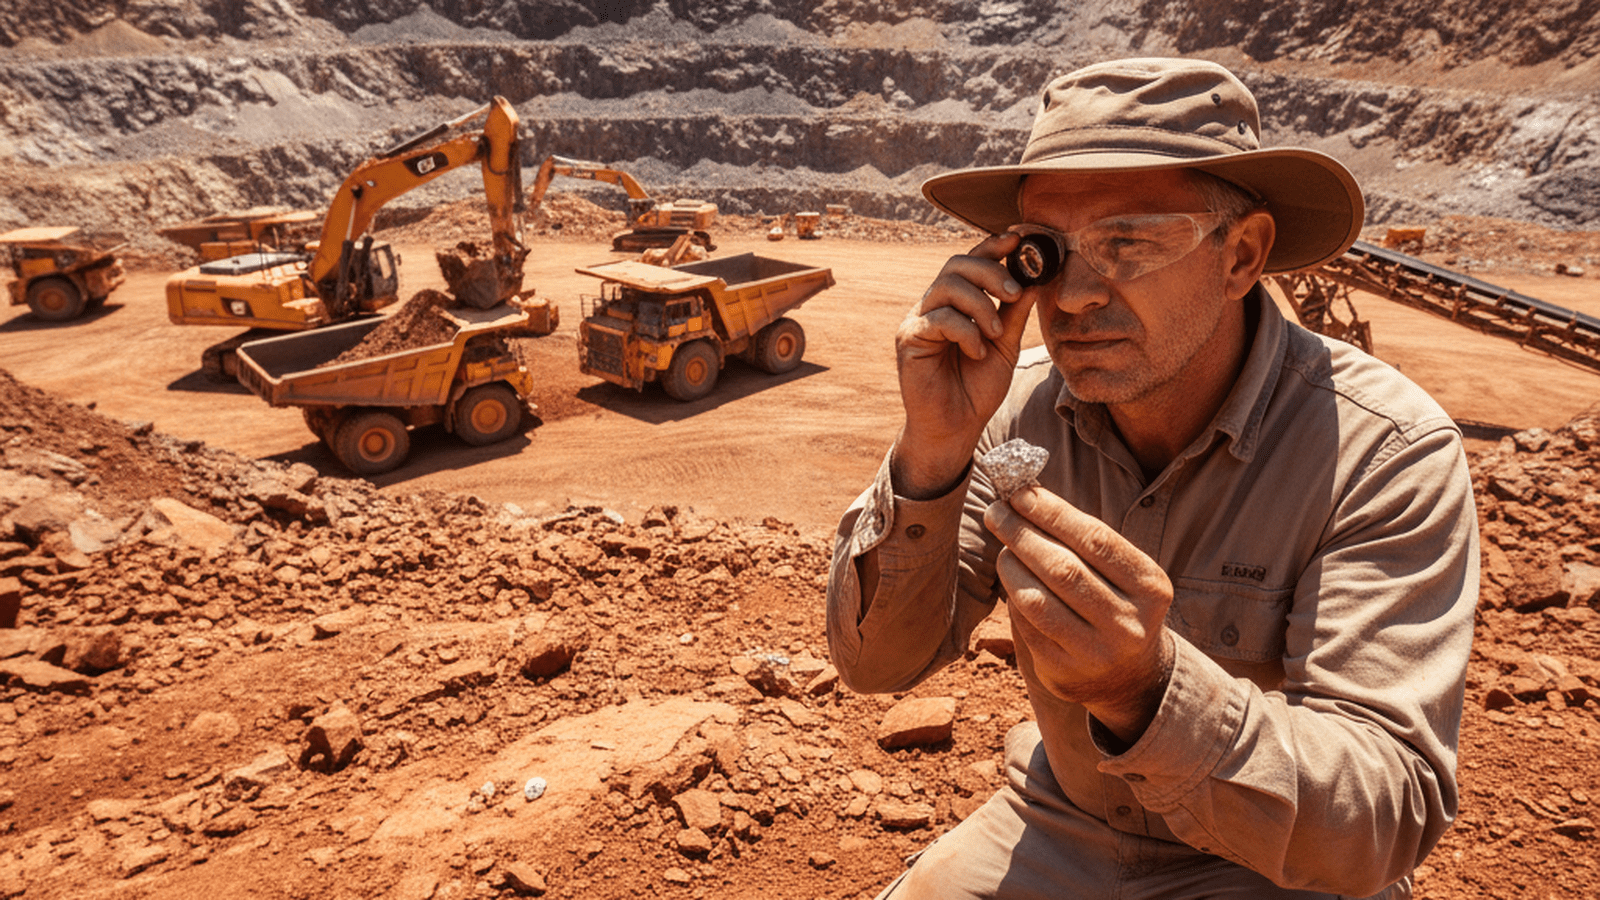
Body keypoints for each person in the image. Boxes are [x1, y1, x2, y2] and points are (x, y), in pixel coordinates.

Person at [825, 57, 1478, 900]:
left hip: (1274, 867)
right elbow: (877, 667)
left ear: (1241, 255)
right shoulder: (1009, 414)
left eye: (1128, 244)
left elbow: (1381, 819)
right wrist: (933, 453)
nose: (1074, 299)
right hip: (1066, 821)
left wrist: (1150, 692)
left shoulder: (1382, 452)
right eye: (1047, 255)